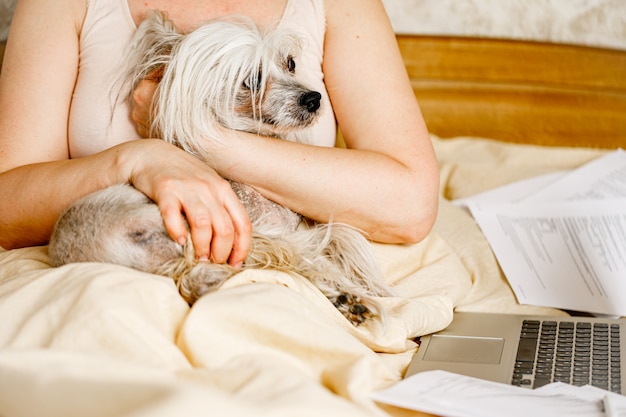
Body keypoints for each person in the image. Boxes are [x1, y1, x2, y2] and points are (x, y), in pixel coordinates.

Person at [0, 0, 439, 269]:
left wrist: (199, 138)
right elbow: (6, 205)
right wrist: (138, 160)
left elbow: (410, 205)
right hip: (109, 272)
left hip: (277, 283)